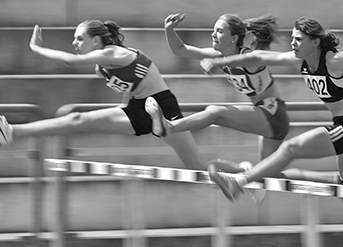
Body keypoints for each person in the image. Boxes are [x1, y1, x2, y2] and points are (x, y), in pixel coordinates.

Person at [203, 17, 343, 211]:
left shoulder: (334, 61)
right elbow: (256, 57)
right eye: (292, 38)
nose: (293, 43)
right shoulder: (299, 61)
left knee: (290, 149)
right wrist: (223, 62)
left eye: (298, 39)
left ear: (315, 42)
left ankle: (238, 183)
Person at [0, 21, 205, 169]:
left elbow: (71, 61)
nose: (74, 43)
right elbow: (132, 88)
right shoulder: (101, 68)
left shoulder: (115, 53)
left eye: (80, 39)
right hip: (138, 108)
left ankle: (237, 175)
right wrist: (121, 110)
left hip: (161, 106)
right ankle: (11, 131)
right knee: (77, 119)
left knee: (198, 167)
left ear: (96, 40)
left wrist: (36, 48)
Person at [153, 13, 289, 167]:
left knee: (215, 112)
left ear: (234, 38)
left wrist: (219, 62)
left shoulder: (248, 57)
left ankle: (169, 127)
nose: (213, 34)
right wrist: (169, 30)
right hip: (264, 116)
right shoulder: (219, 55)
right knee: (264, 176)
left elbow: (263, 58)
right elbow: (180, 49)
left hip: (273, 114)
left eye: (219, 31)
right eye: (213, 30)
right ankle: (243, 173)